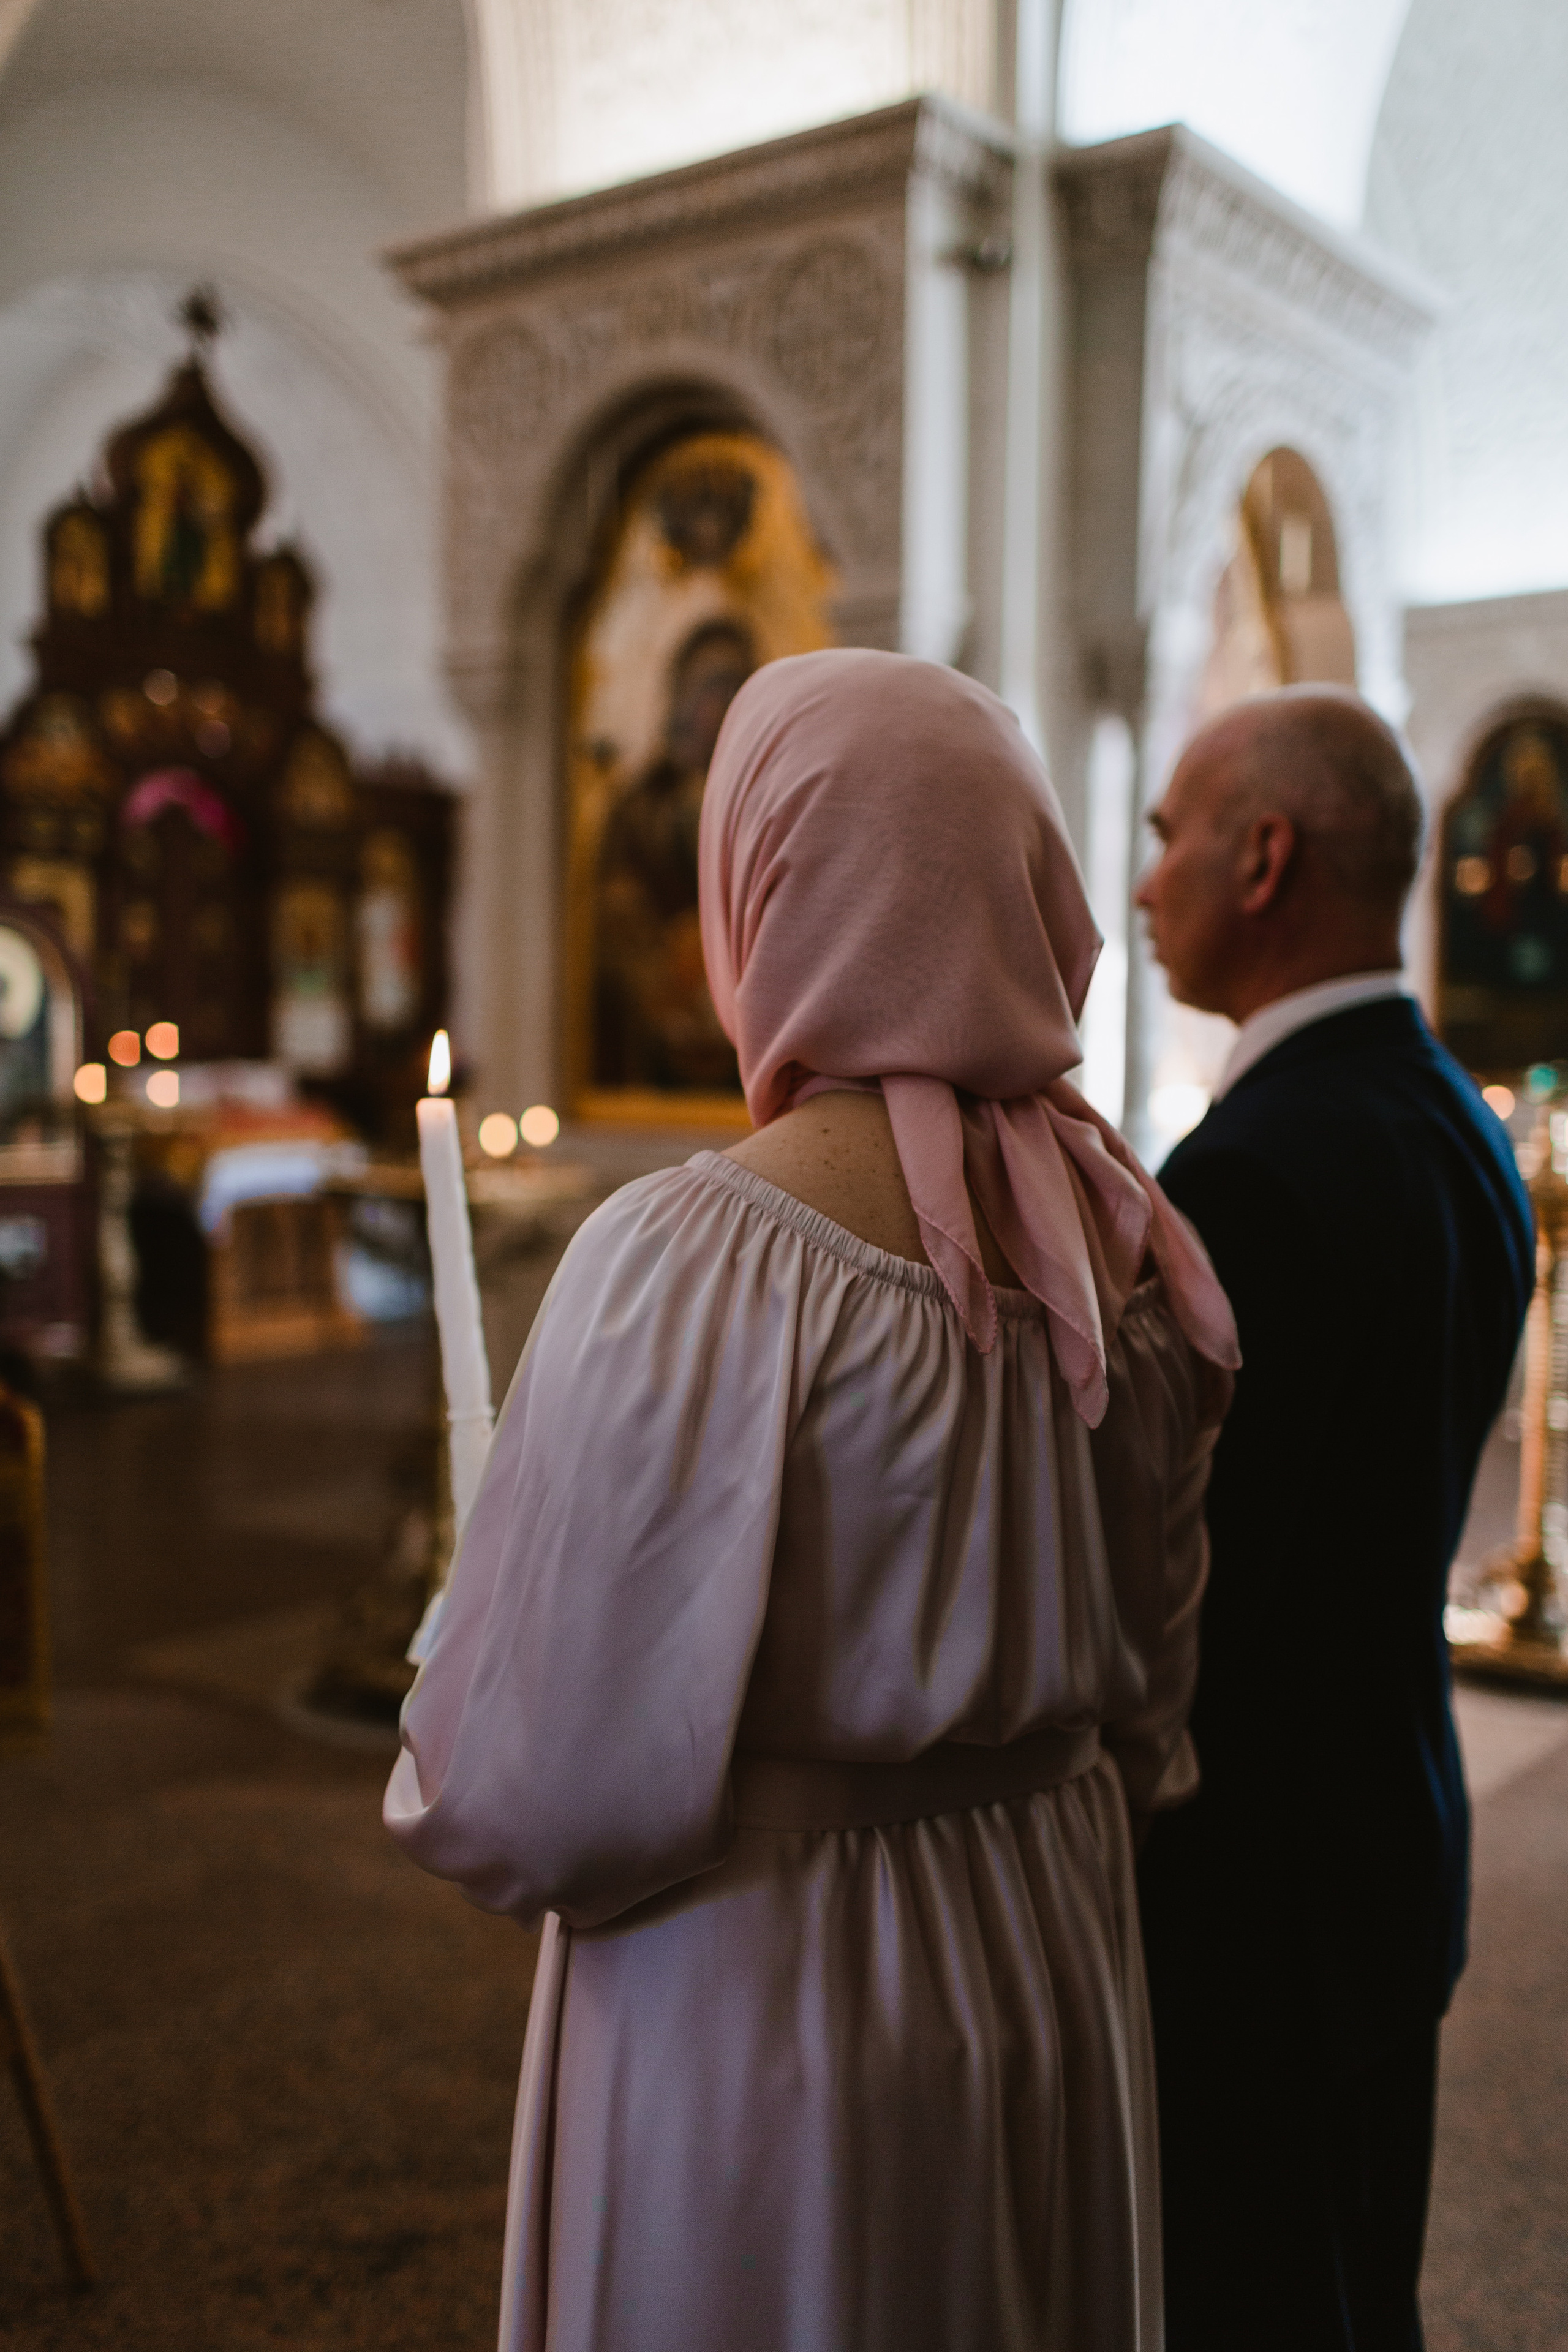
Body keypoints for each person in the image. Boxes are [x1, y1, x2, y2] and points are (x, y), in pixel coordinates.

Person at [385, 649, 1239, 2352]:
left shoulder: (690, 1256)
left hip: (764, 1986)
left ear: (764, 877)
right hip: (1052, 1939)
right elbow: (1152, 1703)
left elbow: (551, 1790)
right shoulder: (1135, 1261)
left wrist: (453, 1699)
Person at [1133, 686, 1534, 2352]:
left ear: (1265, 857)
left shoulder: (1250, 1175)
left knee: (1258, 2296)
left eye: (1169, 835)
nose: (1146, 877)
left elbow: (1188, 1576)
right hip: (1395, 1834)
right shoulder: (1460, 1125)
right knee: (1364, 2288)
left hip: (1253, 1893)